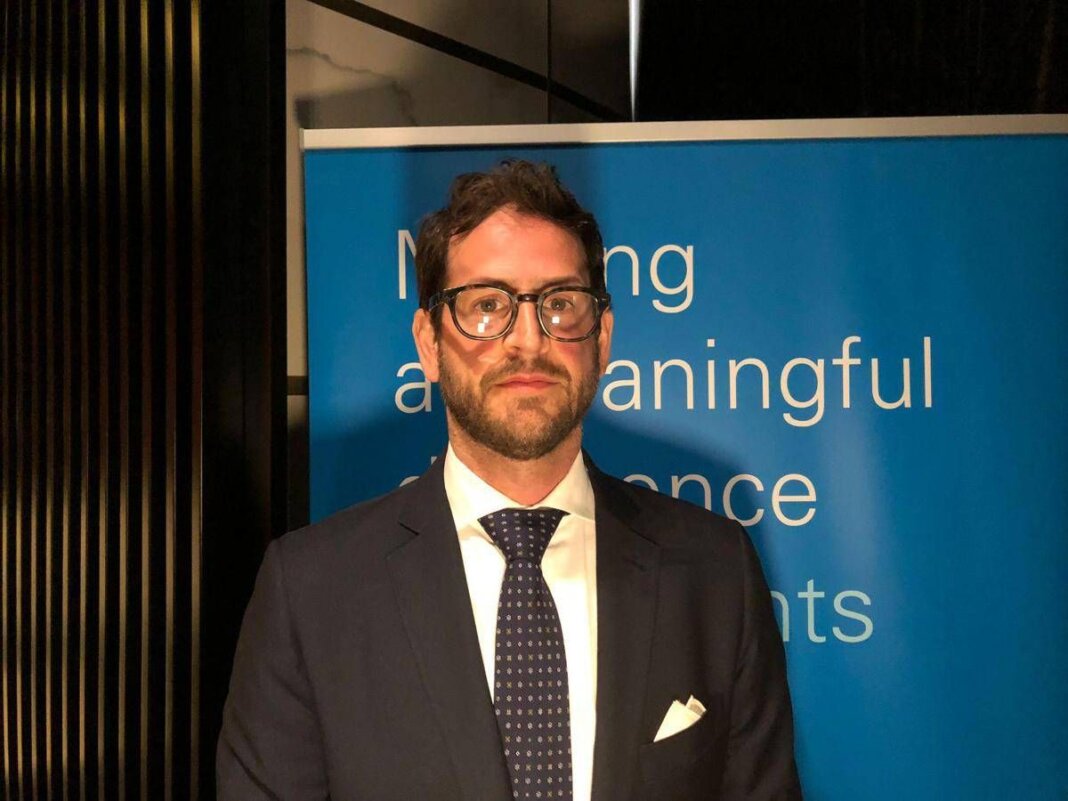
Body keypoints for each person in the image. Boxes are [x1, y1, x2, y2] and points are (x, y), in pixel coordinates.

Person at [217, 160, 803, 800]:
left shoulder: (715, 573)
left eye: (561, 304)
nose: (528, 340)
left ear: (603, 339)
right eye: (488, 305)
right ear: (429, 343)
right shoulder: (311, 592)